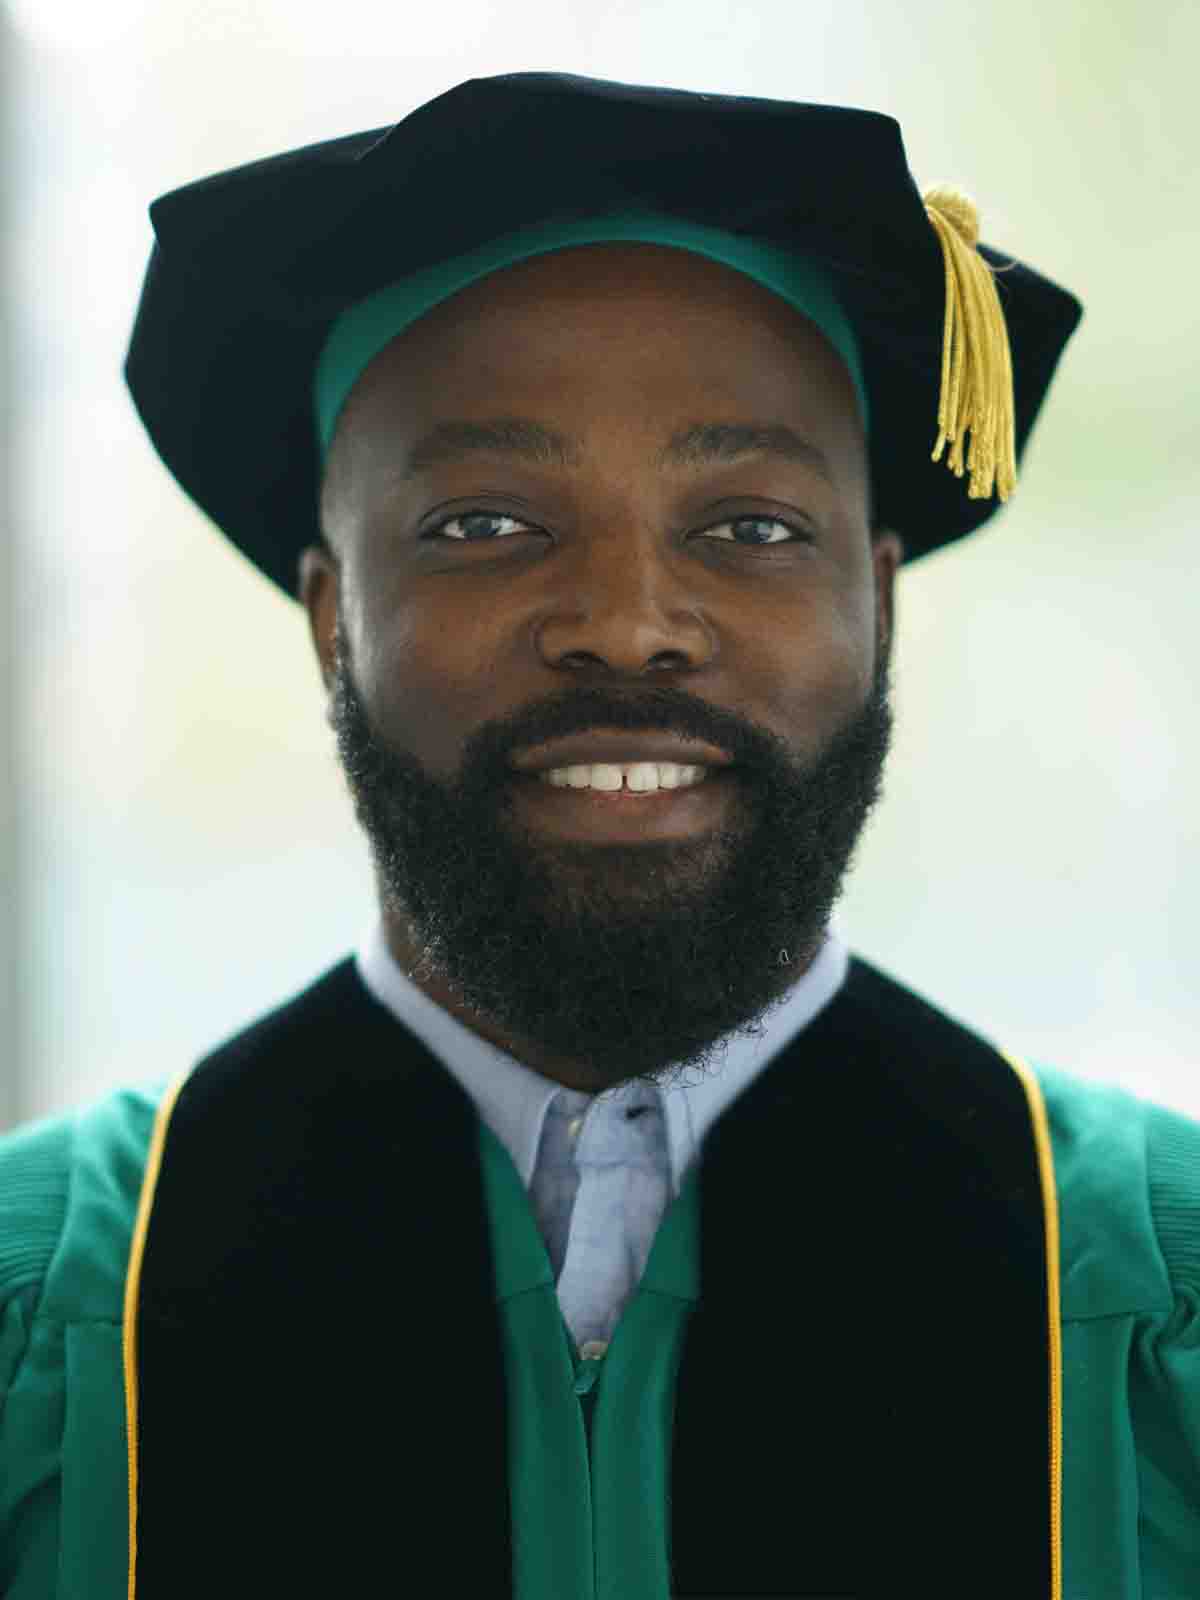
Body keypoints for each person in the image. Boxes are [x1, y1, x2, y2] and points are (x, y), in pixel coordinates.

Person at [1, 70, 1196, 1600]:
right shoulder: (54, 1301)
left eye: (750, 528)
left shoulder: (1152, 1294)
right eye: (485, 525)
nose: (629, 627)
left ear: (878, 605)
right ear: (331, 619)